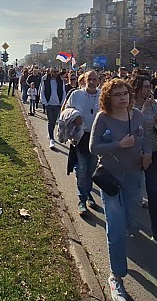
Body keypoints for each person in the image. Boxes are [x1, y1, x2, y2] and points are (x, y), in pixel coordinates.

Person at [89, 79, 150, 301]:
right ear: (108, 98)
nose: (122, 97)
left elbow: (146, 138)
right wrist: (118, 145)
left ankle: (124, 242)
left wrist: (148, 153)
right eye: (117, 94)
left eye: (125, 93)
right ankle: (116, 277)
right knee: (115, 228)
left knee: (130, 221)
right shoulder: (103, 118)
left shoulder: (137, 115)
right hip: (111, 179)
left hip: (134, 177)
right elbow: (93, 147)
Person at [131, 75, 157, 257]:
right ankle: (130, 224)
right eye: (144, 87)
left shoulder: (154, 103)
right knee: (133, 191)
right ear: (136, 88)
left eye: (149, 86)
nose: (148, 90)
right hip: (133, 153)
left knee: (154, 192)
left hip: (155, 152)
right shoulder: (129, 105)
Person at [65, 70, 100, 215]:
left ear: (98, 81)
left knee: (91, 169)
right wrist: (74, 116)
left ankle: (88, 194)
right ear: (84, 80)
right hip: (80, 137)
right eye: (89, 79)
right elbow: (66, 110)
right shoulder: (76, 94)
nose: (91, 82)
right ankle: (82, 199)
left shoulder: (103, 95)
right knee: (81, 168)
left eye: (94, 79)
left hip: (96, 137)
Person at [39, 67, 66, 149]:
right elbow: (42, 91)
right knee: (50, 121)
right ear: (50, 72)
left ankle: (50, 133)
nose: (56, 73)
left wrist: (62, 103)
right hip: (49, 104)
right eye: (54, 72)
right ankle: (52, 139)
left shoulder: (60, 81)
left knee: (54, 121)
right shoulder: (46, 80)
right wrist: (45, 103)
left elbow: (63, 91)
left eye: (57, 71)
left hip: (57, 104)